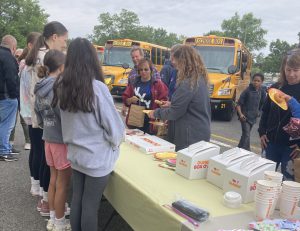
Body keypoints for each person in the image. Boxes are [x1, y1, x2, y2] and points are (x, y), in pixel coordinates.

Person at [52, 38, 125, 231]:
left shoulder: (61, 86)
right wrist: (115, 142)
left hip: (76, 154)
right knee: (90, 205)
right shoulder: (97, 88)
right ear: (92, 59)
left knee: (78, 200)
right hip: (97, 158)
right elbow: (115, 130)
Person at [25, 22, 68, 216]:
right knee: (57, 175)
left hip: (41, 123)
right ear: (54, 37)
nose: (64, 45)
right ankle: (50, 206)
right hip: (54, 131)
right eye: (64, 40)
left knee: (45, 163)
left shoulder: (39, 57)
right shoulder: (46, 59)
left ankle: (47, 203)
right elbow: (59, 109)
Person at [148, 45, 211, 151]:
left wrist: (155, 113)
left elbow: (174, 112)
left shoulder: (188, 83)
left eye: (174, 59)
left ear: (183, 60)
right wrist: (171, 104)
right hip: (198, 132)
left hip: (189, 136)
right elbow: (190, 105)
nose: (172, 62)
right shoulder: (198, 79)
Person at [34, 50, 71, 231]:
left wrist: (45, 125)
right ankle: (60, 220)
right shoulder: (58, 87)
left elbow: (38, 112)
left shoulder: (41, 87)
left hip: (47, 138)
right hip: (61, 140)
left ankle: (52, 217)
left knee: (53, 179)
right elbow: (64, 115)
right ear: (62, 67)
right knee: (63, 183)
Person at [258, 49, 300, 180]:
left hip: (291, 150)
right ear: (283, 69)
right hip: (270, 144)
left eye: (296, 70)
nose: (291, 74)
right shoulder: (276, 87)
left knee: (288, 185)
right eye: (288, 70)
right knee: (263, 179)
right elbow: (265, 112)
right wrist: (262, 132)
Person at [122, 58, 168, 134]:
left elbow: (164, 100)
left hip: (151, 120)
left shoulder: (158, 84)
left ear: (151, 70)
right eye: (141, 70)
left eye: (146, 69)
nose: (143, 72)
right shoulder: (134, 83)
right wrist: (130, 100)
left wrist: (161, 103)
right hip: (135, 119)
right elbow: (125, 99)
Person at [121, 46, 161, 116]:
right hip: (136, 112)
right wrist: (125, 105)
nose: (135, 59)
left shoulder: (152, 70)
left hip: (150, 110)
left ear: (142, 56)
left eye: (137, 56)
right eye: (133, 57)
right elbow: (128, 92)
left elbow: (159, 89)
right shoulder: (132, 73)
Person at [0, 35, 19, 161]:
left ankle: (5, 147)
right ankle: (4, 151)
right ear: (13, 47)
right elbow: (12, 79)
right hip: (7, 96)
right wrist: (14, 95)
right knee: (6, 125)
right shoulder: (8, 57)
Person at [236, 73, 266, 151]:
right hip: (244, 117)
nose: (256, 82)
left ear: (261, 82)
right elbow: (238, 104)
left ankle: (238, 149)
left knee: (245, 135)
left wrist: (259, 112)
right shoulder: (247, 91)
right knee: (247, 135)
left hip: (253, 118)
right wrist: (241, 114)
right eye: (254, 80)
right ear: (252, 81)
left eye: (258, 81)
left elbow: (263, 104)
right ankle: (247, 151)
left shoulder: (262, 92)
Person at [10, 47, 31, 150]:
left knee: (24, 120)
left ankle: (28, 141)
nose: (17, 57)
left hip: (23, 97)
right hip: (13, 95)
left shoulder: (25, 67)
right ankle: (10, 140)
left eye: (19, 56)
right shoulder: (12, 66)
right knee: (12, 120)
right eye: (16, 55)